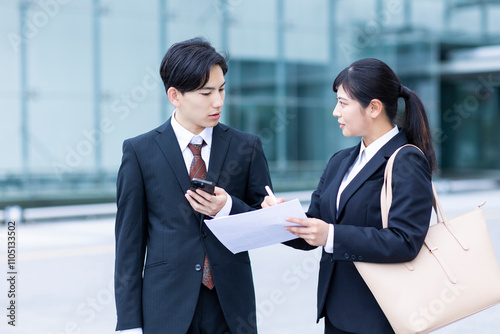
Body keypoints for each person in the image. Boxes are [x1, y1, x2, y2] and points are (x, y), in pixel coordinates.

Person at [262, 58, 436, 334]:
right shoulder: (340, 161)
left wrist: (332, 235)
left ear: (374, 108)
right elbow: (315, 225)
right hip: (338, 314)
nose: (335, 112)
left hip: (381, 318)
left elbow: (405, 241)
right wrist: (279, 217)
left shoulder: (406, 161)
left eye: (343, 103)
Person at [114, 37, 272, 334]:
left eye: (222, 89)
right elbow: (128, 245)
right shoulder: (140, 151)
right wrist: (128, 323)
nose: (218, 101)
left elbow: (263, 221)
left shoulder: (246, 147)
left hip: (230, 308)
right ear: (175, 95)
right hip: (165, 308)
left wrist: (228, 208)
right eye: (206, 92)